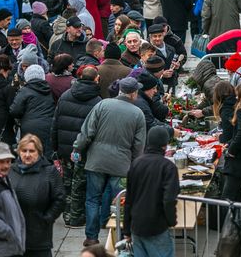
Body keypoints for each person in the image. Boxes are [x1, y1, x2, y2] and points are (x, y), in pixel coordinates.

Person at [73, 76, 146, 246]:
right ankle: (120, 237)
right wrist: (134, 165)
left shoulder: (102, 105)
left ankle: (91, 237)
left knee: (92, 199)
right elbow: (138, 146)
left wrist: (77, 148)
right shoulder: (137, 114)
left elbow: (87, 132)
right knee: (119, 202)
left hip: (97, 161)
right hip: (121, 164)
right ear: (134, 93)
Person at [52, 66, 101, 227]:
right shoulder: (97, 101)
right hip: (84, 149)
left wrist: (55, 147)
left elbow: (55, 123)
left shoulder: (66, 95)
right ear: (96, 79)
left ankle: (67, 215)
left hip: (65, 148)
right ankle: (76, 216)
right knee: (80, 183)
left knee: (67, 182)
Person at [123, 126, 179, 257]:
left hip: (137, 225)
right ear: (165, 146)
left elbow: (129, 199)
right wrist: (171, 221)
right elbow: (169, 199)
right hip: (157, 226)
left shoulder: (136, 164)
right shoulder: (168, 167)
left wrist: (127, 229)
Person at [9, 134, 65, 257]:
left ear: (39, 152)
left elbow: (60, 199)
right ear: (18, 152)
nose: (27, 155)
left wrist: (47, 219)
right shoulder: (11, 171)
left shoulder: (49, 172)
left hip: (38, 238)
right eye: (24, 151)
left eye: (31, 151)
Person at [10, 65, 56, 159]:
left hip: (29, 127)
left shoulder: (24, 91)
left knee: (30, 155)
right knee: (46, 155)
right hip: (49, 125)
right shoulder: (49, 89)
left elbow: (15, 110)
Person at [147, 24, 179, 90]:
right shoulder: (148, 52)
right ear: (150, 37)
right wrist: (162, 74)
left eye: (160, 36)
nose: (157, 38)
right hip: (156, 87)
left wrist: (177, 67)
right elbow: (146, 70)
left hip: (171, 85)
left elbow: (175, 67)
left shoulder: (171, 49)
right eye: (155, 36)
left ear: (163, 35)